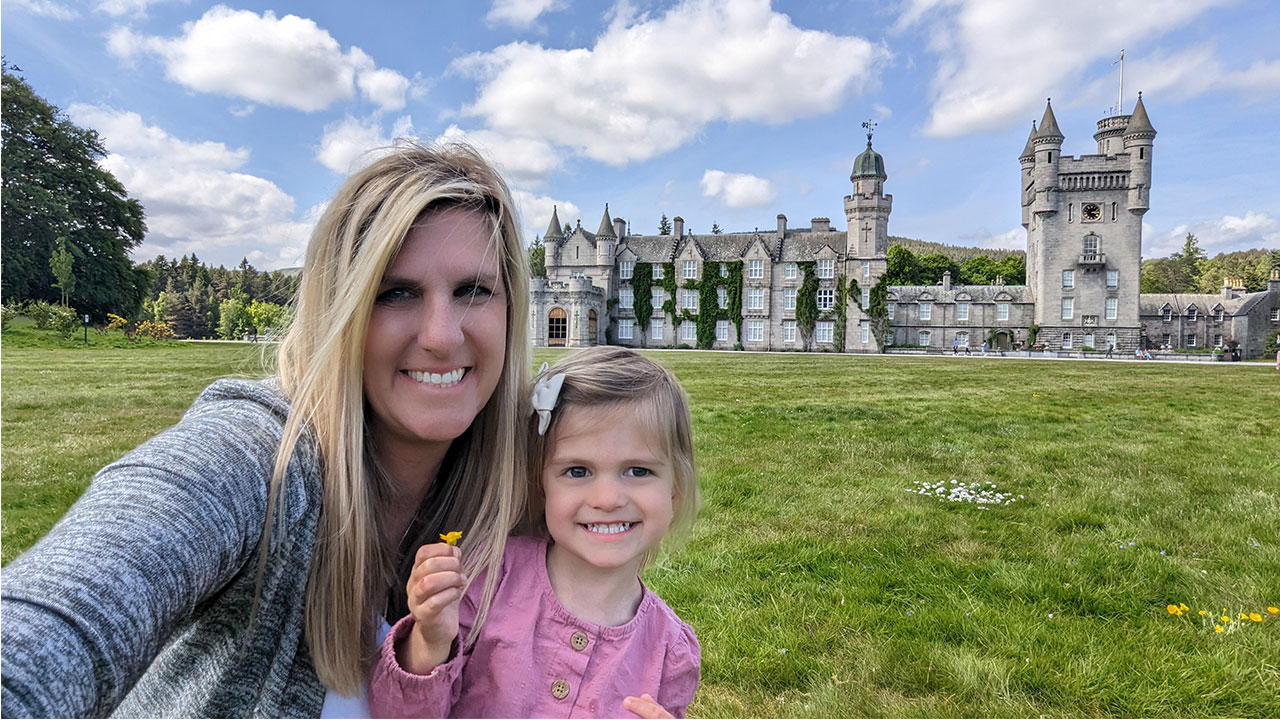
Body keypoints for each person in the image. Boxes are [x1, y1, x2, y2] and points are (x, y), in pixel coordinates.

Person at [0, 143, 532, 717]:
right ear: (338, 311)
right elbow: (71, 607)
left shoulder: (542, 488)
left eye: (472, 291)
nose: (441, 336)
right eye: (395, 293)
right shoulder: (262, 458)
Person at [369, 347, 702, 719]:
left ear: (675, 490)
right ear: (541, 485)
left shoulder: (671, 652)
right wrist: (430, 641)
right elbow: (394, 712)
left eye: (638, 471)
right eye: (577, 471)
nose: (607, 499)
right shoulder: (488, 576)